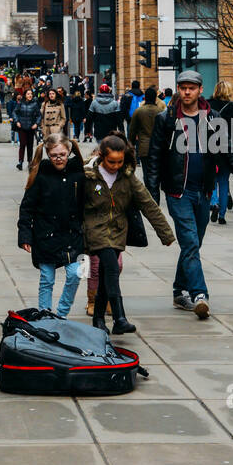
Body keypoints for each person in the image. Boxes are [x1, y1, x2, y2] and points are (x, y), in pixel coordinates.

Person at [145, 69, 233, 320]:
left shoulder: (212, 118)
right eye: (182, 87)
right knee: (191, 242)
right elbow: (154, 157)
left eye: (191, 88)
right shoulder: (167, 118)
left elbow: (227, 150)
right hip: (177, 191)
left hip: (204, 191)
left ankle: (177, 292)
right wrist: (152, 193)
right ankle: (199, 294)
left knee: (193, 245)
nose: (186, 92)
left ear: (199, 90)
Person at [83, 134, 174, 334]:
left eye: (119, 162)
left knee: (108, 273)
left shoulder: (128, 177)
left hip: (117, 231)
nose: (115, 166)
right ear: (101, 156)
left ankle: (99, 319)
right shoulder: (87, 175)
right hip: (94, 229)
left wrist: (165, 234)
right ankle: (119, 317)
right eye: (111, 162)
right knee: (112, 268)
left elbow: (148, 204)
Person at [18, 135, 86, 319]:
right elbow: (26, 208)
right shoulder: (40, 175)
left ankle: (62, 314)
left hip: (73, 236)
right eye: (54, 155)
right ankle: (45, 315)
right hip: (45, 237)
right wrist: (25, 235)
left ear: (69, 152)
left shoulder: (79, 173)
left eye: (62, 154)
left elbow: (93, 194)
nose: (59, 158)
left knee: (76, 274)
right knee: (47, 279)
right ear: (47, 153)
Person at [208, 80, 233, 226]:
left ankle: (213, 203)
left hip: (210, 148)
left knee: (212, 179)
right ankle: (222, 214)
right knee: (224, 181)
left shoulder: (208, 106)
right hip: (226, 149)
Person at [128, 85, 165, 185]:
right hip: (158, 147)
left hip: (144, 147)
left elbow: (132, 131)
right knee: (156, 172)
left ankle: (149, 192)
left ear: (145, 97)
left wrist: (130, 146)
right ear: (155, 98)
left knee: (146, 173)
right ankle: (154, 192)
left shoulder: (138, 111)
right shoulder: (161, 112)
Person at [13, 86, 41, 171]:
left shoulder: (35, 104)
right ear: (25, 95)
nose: (30, 95)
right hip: (22, 127)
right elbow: (14, 112)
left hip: (31, 127)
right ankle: (20, 162)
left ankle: (30, 162)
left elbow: (39, 115)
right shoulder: (20, 103)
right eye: (28, 94)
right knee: (22, 144)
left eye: (31, 94)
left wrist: (36, 124)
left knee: (30, 145)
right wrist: (17, 121)